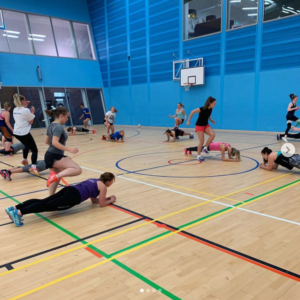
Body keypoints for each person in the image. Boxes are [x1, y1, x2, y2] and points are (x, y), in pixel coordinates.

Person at [5, 172, 116, 227]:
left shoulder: (94, 180)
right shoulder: (103, 187)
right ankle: (19, 213)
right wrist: (111, 200)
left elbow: (93, 200)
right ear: (108, 181)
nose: (112, 183)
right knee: (46, 206)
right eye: (112, 181)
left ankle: (13, 208)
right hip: (73, 197)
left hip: (70, 189)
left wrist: (106, 198)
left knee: (43, 201)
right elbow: (101, 204)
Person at [44, 107, 82, 195]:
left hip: (49, 154)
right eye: (67, 117)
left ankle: (51, 198)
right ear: (61, 115)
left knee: (56, 178)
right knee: (77, 169)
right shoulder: (58, 127)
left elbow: (47, 141)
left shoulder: (51, 125)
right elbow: (54, 142)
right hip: (54, 155)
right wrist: (69, 149)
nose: (67, 119)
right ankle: (54, 176)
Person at [13, 94, 39, 175]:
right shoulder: (26, 110)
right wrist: (33, 112)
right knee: (34, 150)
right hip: (24, 133)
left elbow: (22, 114)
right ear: (22, 101)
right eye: (25, 100)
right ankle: (33, 167)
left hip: (16, 133)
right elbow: (31, 121)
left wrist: (25, 106)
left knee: (26, 145)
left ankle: (25, 160)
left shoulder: (15, 109)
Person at [186, 96, 216, 162]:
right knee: (201, 141)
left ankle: (205, 148)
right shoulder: (202, 109)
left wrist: (211, 120)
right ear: (210, 103)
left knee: (212, 135)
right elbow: (192, 112)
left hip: (205, 125)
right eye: (214, 103)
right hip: (199, 126)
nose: (215, 105)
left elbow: (208, 115)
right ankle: (198, 156)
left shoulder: (211, 109)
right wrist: (188, 121)